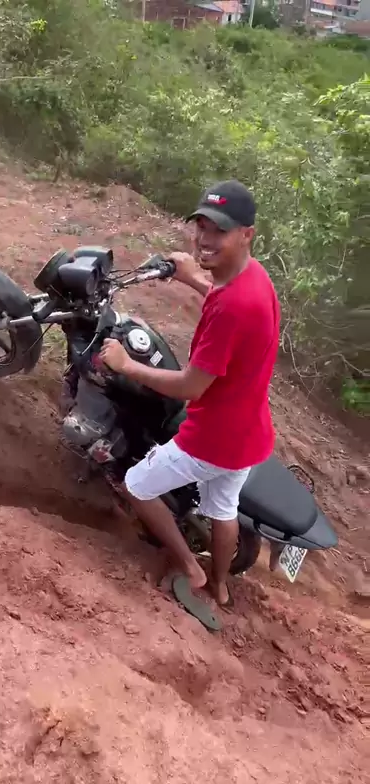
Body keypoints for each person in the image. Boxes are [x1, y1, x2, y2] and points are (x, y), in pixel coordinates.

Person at [101, 180, 280, 607]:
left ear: (246, 234)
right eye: (202, 226)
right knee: (223, 509)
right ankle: (219, 585)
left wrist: (125, 365)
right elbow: (226, 303)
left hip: (212, 438)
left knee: (137, 485)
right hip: (248, 434)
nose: (205, 238)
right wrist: (194, 279)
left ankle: (189, 566)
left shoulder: (234, 307)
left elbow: (190, 386)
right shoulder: (254, 278)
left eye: (219, 231)